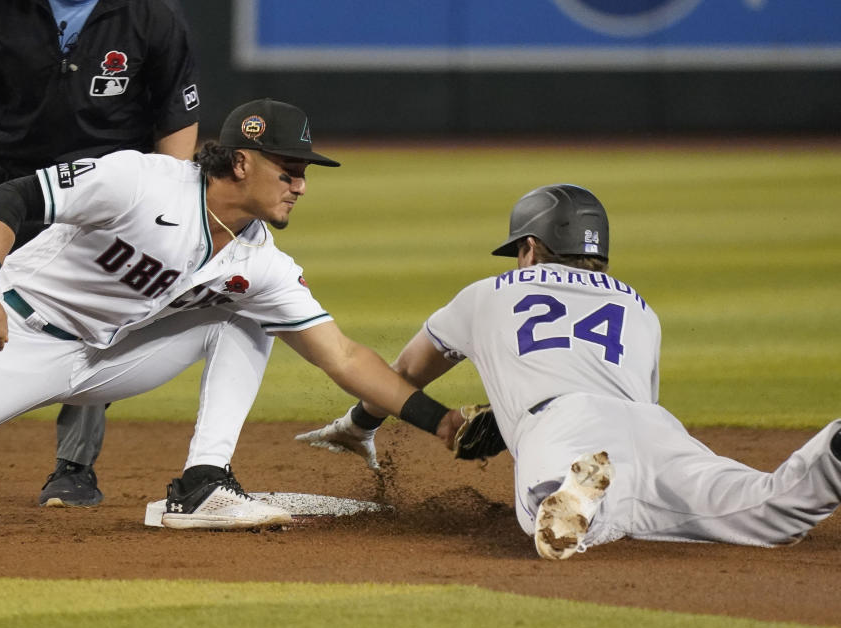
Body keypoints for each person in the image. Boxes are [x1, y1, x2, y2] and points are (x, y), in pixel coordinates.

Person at [0, 98, 465, 531]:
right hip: (11, 337)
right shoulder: (142, 181)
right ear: (241, 163)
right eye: (289, 169)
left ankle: (202, 483)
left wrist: (441, 422)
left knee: (239, 313)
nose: (301, 186)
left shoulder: (259, 259)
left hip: (107, 357)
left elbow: (342, 355)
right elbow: (14, 197)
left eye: (304, 172)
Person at [298, 184, 841, 560]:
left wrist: (360, 424)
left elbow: (405, 374)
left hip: (563, 426)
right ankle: (829, 453)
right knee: (768, 510)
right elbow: (635, 399)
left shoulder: (485, 294)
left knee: (550, 516)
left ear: (530, 247)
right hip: (654, 428)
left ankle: (576, 496)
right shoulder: (639, 307)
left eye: (517, 249)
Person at [0, 0, 202, 508]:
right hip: (2, 181)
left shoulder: (152, 13)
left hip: (98, 198)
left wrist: (163, 209)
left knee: (94, 324)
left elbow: (176, 117)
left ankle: (74, 469)